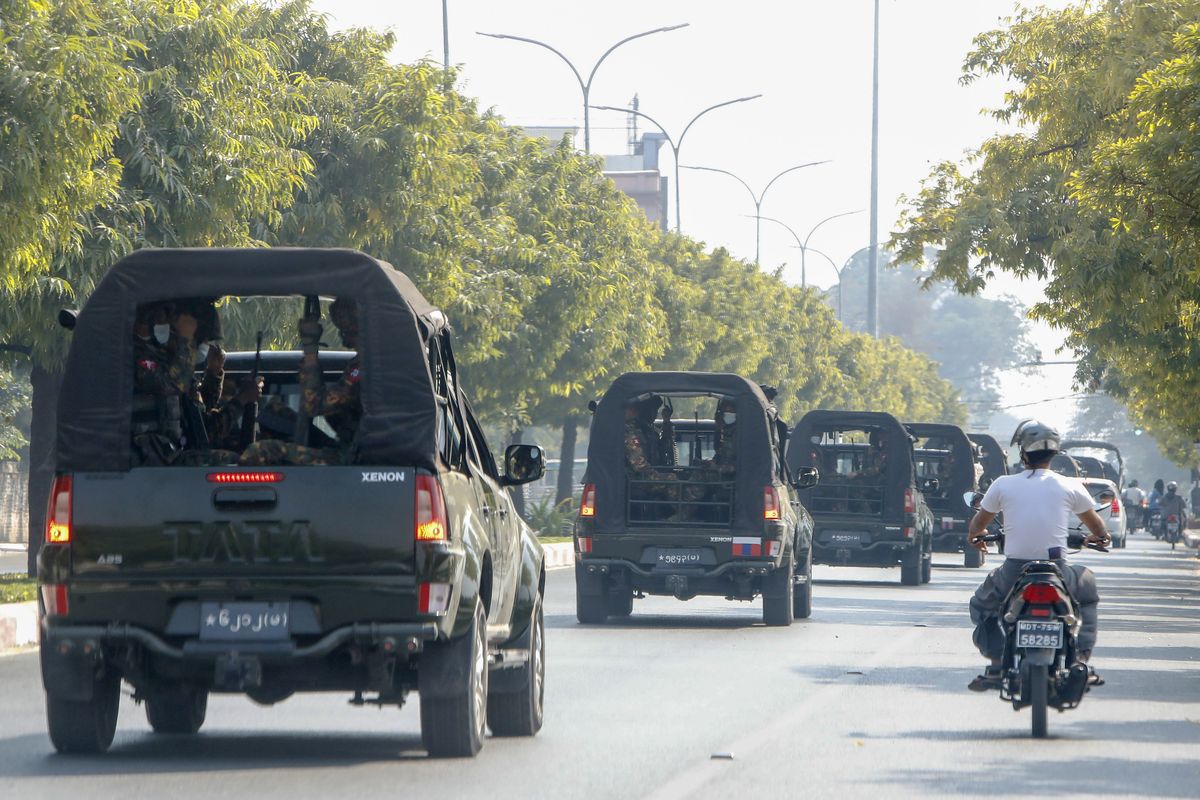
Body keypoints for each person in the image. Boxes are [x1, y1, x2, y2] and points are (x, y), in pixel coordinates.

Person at [964, 419, 1109, 692]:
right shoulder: (1069, 485)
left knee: (982, 606)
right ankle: (1081, 660)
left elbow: (978, 525)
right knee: (1087, 590)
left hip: (1013, 572)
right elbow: (1098, 528)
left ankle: (996, 664)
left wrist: (975, 539)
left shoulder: (1002, 485)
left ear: (1023, 452)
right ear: (1055, 453)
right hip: (1058, 571)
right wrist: (1098, 538)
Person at [239, 297, 362, 466]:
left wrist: (310, 350)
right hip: (349, 447)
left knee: (262, 451)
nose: (344, 337)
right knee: (275, 412)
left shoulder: (365, 365)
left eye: (347, 331)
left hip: (353, 458)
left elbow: (315, 405)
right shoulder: (368, 362)